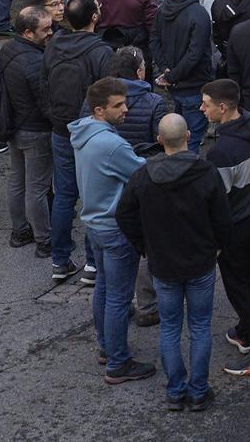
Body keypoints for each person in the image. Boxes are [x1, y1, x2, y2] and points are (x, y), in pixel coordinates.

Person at [117, 112, 231, 412]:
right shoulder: (205, 172)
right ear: (189, 137)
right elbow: (223, 218)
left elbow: (124, 214)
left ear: (159, 140)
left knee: (169, 327)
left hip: (163, 263)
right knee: (200, 327)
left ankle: (175, 390)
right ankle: (198, 390)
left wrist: (143, 246)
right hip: (200, 262)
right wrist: (218, 246)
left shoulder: (143, 175)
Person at [74, 76, 155, 385]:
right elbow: (141, 174)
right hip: (116, 227)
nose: (126, 110)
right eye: (118, 105)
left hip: (95, 223)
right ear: (98, 110)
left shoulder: (84, 133)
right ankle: (118, 363)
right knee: (120, 297)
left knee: (105, 290)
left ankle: (108, 348)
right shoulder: (111, 144)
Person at [200, 78, 250, 379]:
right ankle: (245, 332)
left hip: (235, 226)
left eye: (206, 104)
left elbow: (217, 201)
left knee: (239, 289)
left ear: (222, 107)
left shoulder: (221, 153)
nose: (201, 109)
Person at [44, 0, 112, 282]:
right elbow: (110, 94)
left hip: (60, 128)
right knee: (95, 198)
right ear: (94, 17)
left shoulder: (53, 45)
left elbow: (42, 83)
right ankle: (93, 264)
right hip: (91, 132)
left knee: (64, 196)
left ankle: (59, 260)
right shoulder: (101, 51)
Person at [0, 1, 54, 251]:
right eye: (45, 30)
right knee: (37, 188)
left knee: (17, 181)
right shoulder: (34, 63)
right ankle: (45, 240)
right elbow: (45, 104)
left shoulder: (8, 49)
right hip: (36, 131)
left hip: (14, 126)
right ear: (28, 33)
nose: (50, 33)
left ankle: (20, 230)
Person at [154, 0, 216, 150]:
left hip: (175, 86)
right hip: (194, 87)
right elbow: (195, 54)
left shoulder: (164, 7)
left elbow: (154, 40)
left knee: (178, 139)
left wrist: (167, 70)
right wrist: (171, 75)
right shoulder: (199, 14)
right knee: (193, 140)